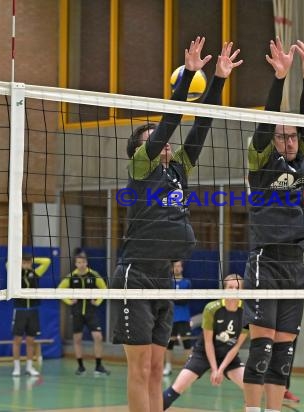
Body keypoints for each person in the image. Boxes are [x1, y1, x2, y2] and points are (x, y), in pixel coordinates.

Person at [110, 37, 242, 412]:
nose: (164, 144)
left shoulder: (178, 170)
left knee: (156, 370)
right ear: (140, 150)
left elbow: (202, 126)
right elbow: (169, 124)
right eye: (153, 141)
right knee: (139, 370)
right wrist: (187, 77)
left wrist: (217, 80)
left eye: (164, 142)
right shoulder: (140, 168)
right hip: (135, 276)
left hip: (164, 277)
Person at [242, 37, 304, 412]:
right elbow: (266, 123)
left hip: (295, 262)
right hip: (265, 261)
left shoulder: (301, 163)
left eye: (292, 136)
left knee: (284, 350)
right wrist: (281, 79)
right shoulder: (261, 162)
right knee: (262, 346)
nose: (289, 140)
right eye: (282, 136)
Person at [163, 274, 247, 410]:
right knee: (176, 389)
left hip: (228, 356)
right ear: (224, 289)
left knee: (251, 387)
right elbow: (208, 342)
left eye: (237, 288)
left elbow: (237, 345)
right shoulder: (211, 308)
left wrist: (221, 369)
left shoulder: (246, 313)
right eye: (230, 287)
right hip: (203, 354)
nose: (233, 290)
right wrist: (214, 369)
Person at [58, 249, 110, 376]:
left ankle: (98, 366)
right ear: (76, 264)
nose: (81, 264)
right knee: (77, 338)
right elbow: (59, 290)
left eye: (83, 262)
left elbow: (104, 288)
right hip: (76, 312)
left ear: (86, 263)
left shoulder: (93, 275)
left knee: (98, 337)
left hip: (91, 312)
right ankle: (80, 366)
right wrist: (69, 301)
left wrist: (97, 301)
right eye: (78, 262)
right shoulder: (71, 276)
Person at [12, 253, 52, 377]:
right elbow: (8, 264)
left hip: (33, 310)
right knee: (17, 340)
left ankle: (29, 367)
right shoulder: (15, 274)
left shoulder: (35, 273)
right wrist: (20, 262)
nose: (27, 264)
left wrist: (31, 262)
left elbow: (47, 261)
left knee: (31, 340)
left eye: (28, 262)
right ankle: (17, 368)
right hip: (20, 310)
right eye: (25, 262)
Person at [164, 260, 194, 377]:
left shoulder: (187, 283)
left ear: (182, 268)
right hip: (171, 317)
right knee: (169, 343)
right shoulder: (168, 283)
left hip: (184, 317)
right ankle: (168, 367)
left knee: (187, 342)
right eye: (175, 266)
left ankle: (188, 368)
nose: (177, 268)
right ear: (172, 269)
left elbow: (185, 300)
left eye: (179, 266)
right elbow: (167, 299)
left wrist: (174, 298)